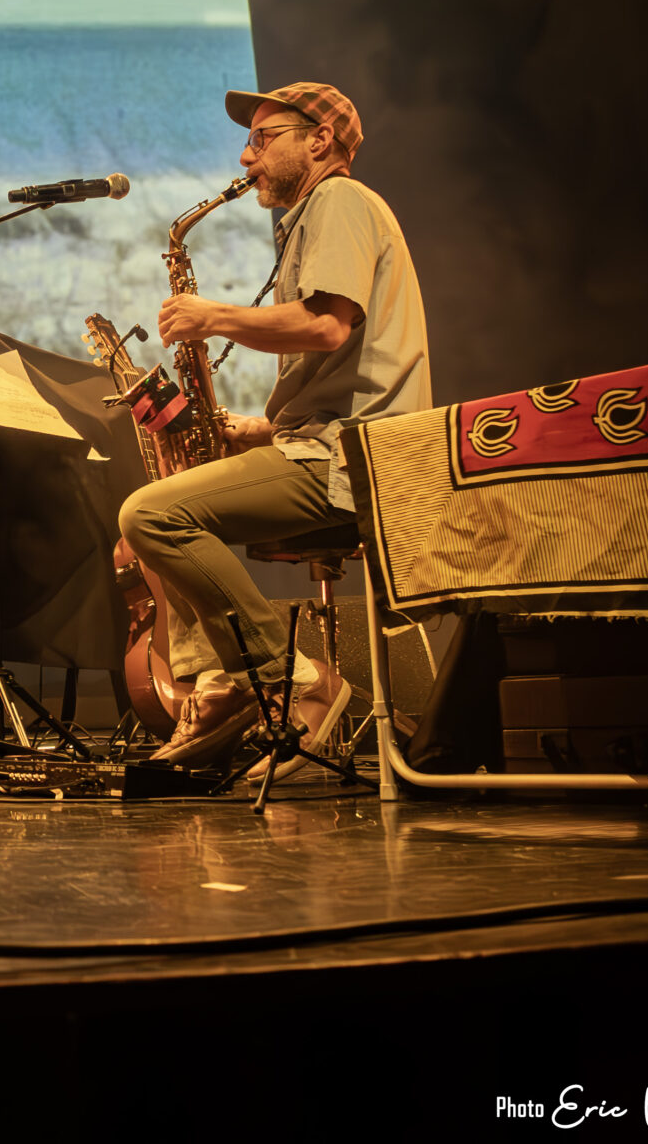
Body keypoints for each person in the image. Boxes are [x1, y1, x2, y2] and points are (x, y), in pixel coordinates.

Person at [119, 83, 430, 777]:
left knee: (151, 513)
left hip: (352, 462)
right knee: (164, 511)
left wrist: (212, 316)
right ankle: (222, 687)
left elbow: (326, 326)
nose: (245, 154)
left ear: (318, 140)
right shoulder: (314, 218)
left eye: (263, 138)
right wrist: (252, 430)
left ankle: (288, 676)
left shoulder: (341, 201)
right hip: (326, 447)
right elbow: (337, 379)